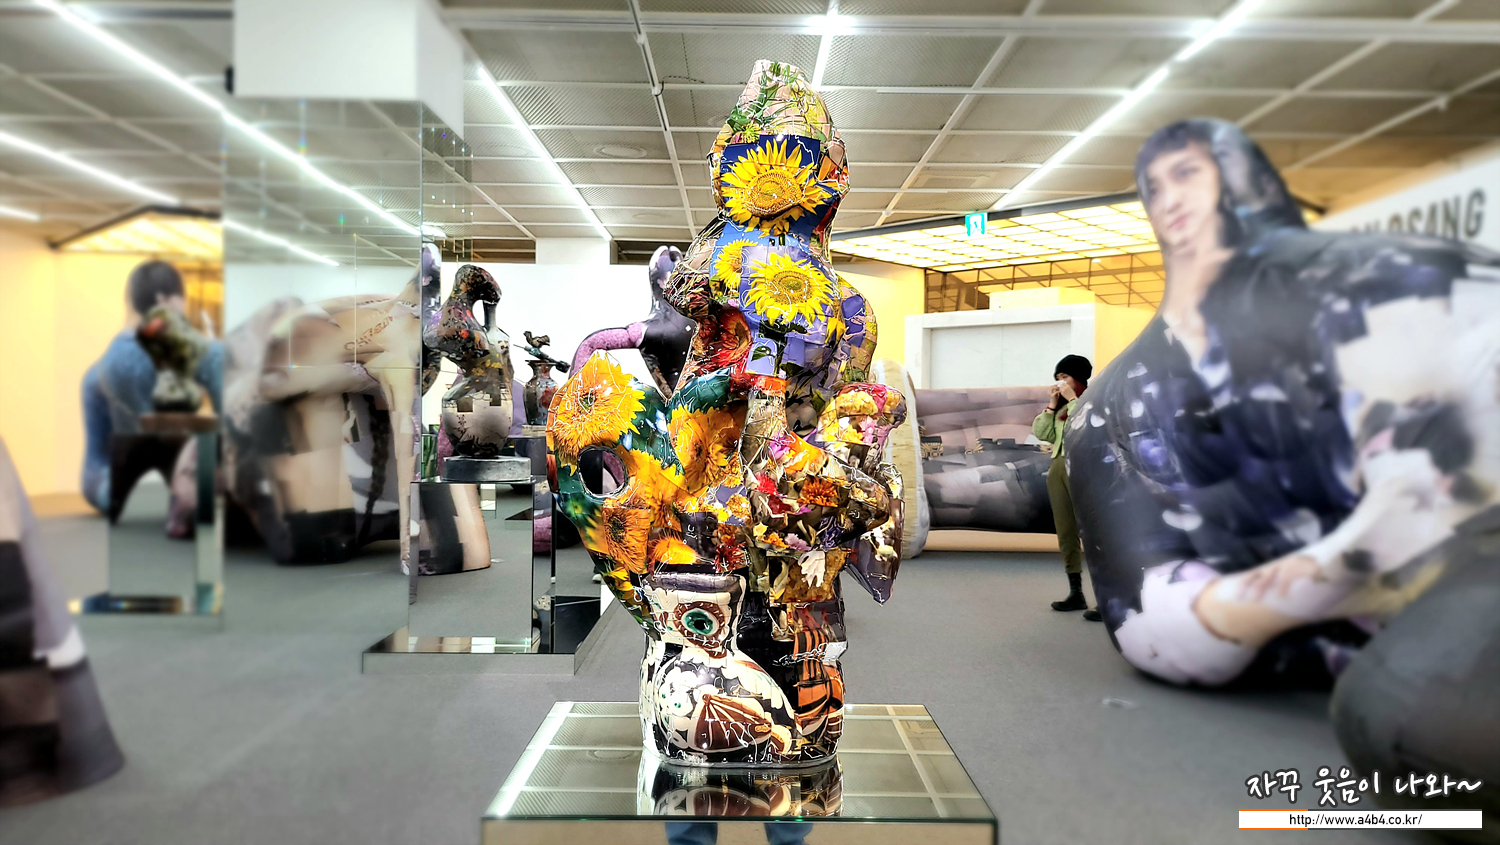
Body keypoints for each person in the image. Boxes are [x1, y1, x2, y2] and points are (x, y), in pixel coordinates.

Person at [80, 260, 222, 514]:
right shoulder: (148, 357)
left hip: (100, 481)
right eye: (181, 303)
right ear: (163, 301)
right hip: (131, 483)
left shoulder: (102, 369)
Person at [1033, 354, 1100, 621]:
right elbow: (1043, 434)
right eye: (1058, 378)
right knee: (1066, 531)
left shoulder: (1091, 400)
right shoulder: (1061, 408)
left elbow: (1085, 424)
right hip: (1058, 467)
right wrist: (1052, 406)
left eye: (1065, 377)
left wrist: (1073, 400)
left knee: (1095, 533)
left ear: (1078, 377)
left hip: (1084, 468)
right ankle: (1076, 592)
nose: (1060, 382)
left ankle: (1107, 597)